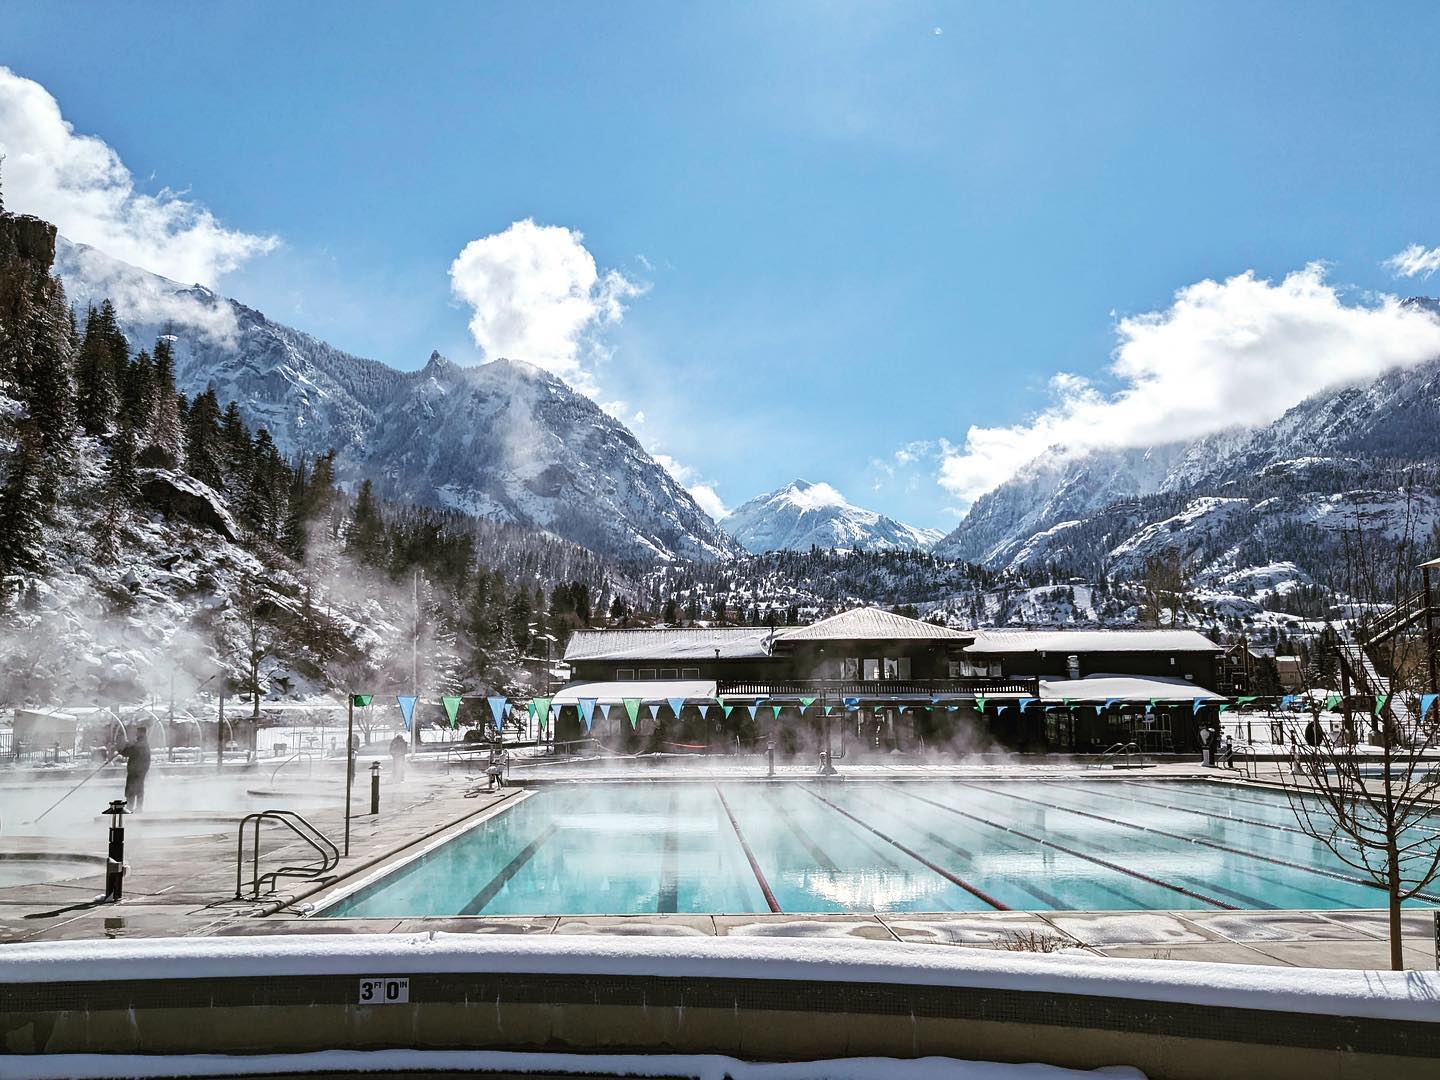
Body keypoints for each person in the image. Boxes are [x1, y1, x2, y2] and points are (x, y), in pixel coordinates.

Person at [117, 726, 153, 813]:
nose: (136, 734)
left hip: (136, 770)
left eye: (138, 732)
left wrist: (121, 748)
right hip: (140, 769)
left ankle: (130, 807)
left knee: (132, 788)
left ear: (142, 733)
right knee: (139, 788)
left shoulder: (140, 744)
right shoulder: (142, 743)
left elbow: (128, 752)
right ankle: (138, 807)